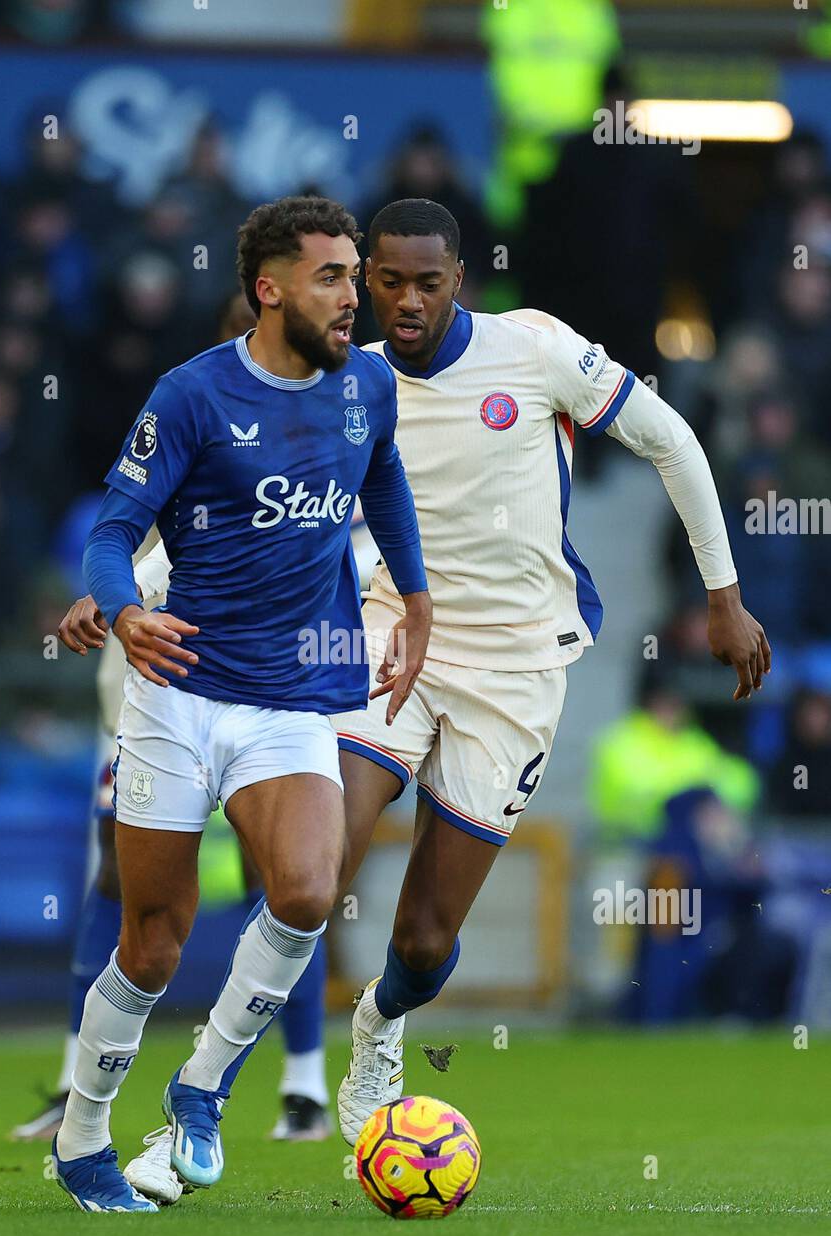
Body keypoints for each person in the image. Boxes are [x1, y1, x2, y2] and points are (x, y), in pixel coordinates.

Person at [323, 199, 769, 1143]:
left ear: (462, 281)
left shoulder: (534, 352)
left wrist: (722, 596)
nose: (405, 300)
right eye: (388, 282)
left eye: (427, 283)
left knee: (426, 938)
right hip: (393, 634)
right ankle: (199, 1100)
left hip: (520, 664)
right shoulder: (346, 376)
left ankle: (381, 1023)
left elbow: (672, 441)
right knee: (315, 870)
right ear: (365, 279)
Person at [51, 194, 430, 1212]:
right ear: (269, 289)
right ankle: (84, 1132)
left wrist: (419, 597)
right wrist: (126, 610)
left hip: (292, 698)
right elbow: (111, 529)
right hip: (176, 696)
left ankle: (202, 1083)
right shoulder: (189, 396)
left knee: (306, 889)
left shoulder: (367, 392)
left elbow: (383, 483)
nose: (356, 295)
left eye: (356, 274)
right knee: (153, 943)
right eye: (332, 277)